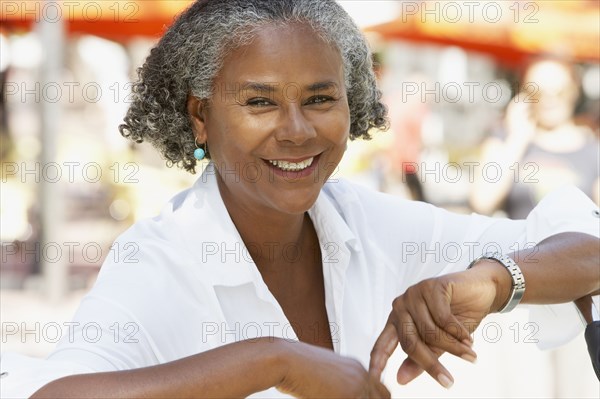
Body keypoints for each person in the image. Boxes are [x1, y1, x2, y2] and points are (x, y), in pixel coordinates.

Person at [1, 1, 598, 397]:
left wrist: (496, 280)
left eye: (319, 98)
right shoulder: (164, 259)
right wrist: (271, 361)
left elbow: (588, 247)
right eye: (259, 102)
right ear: (200, 116)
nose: (296, 130)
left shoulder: (368, 222)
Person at [470, 58, 600, 217]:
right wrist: (517, 139)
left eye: (560, 91)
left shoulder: (593, 149)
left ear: (574, 90)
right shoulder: (506, 139)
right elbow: (483, 201)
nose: (549, 100)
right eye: (537, 92)